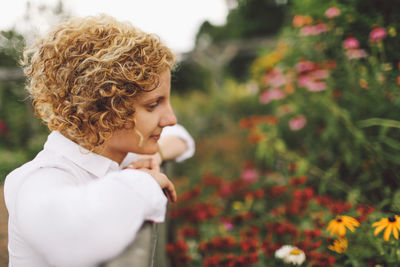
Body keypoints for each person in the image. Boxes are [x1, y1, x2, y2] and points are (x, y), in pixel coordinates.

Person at [4, 14, 194, 267]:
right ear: (101, 110)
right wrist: (142, 181)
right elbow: (72, 240)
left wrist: (155, 154)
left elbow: (181, 137)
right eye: (153, 105)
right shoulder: (38, 179)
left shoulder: (119, 151)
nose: (170, 118)